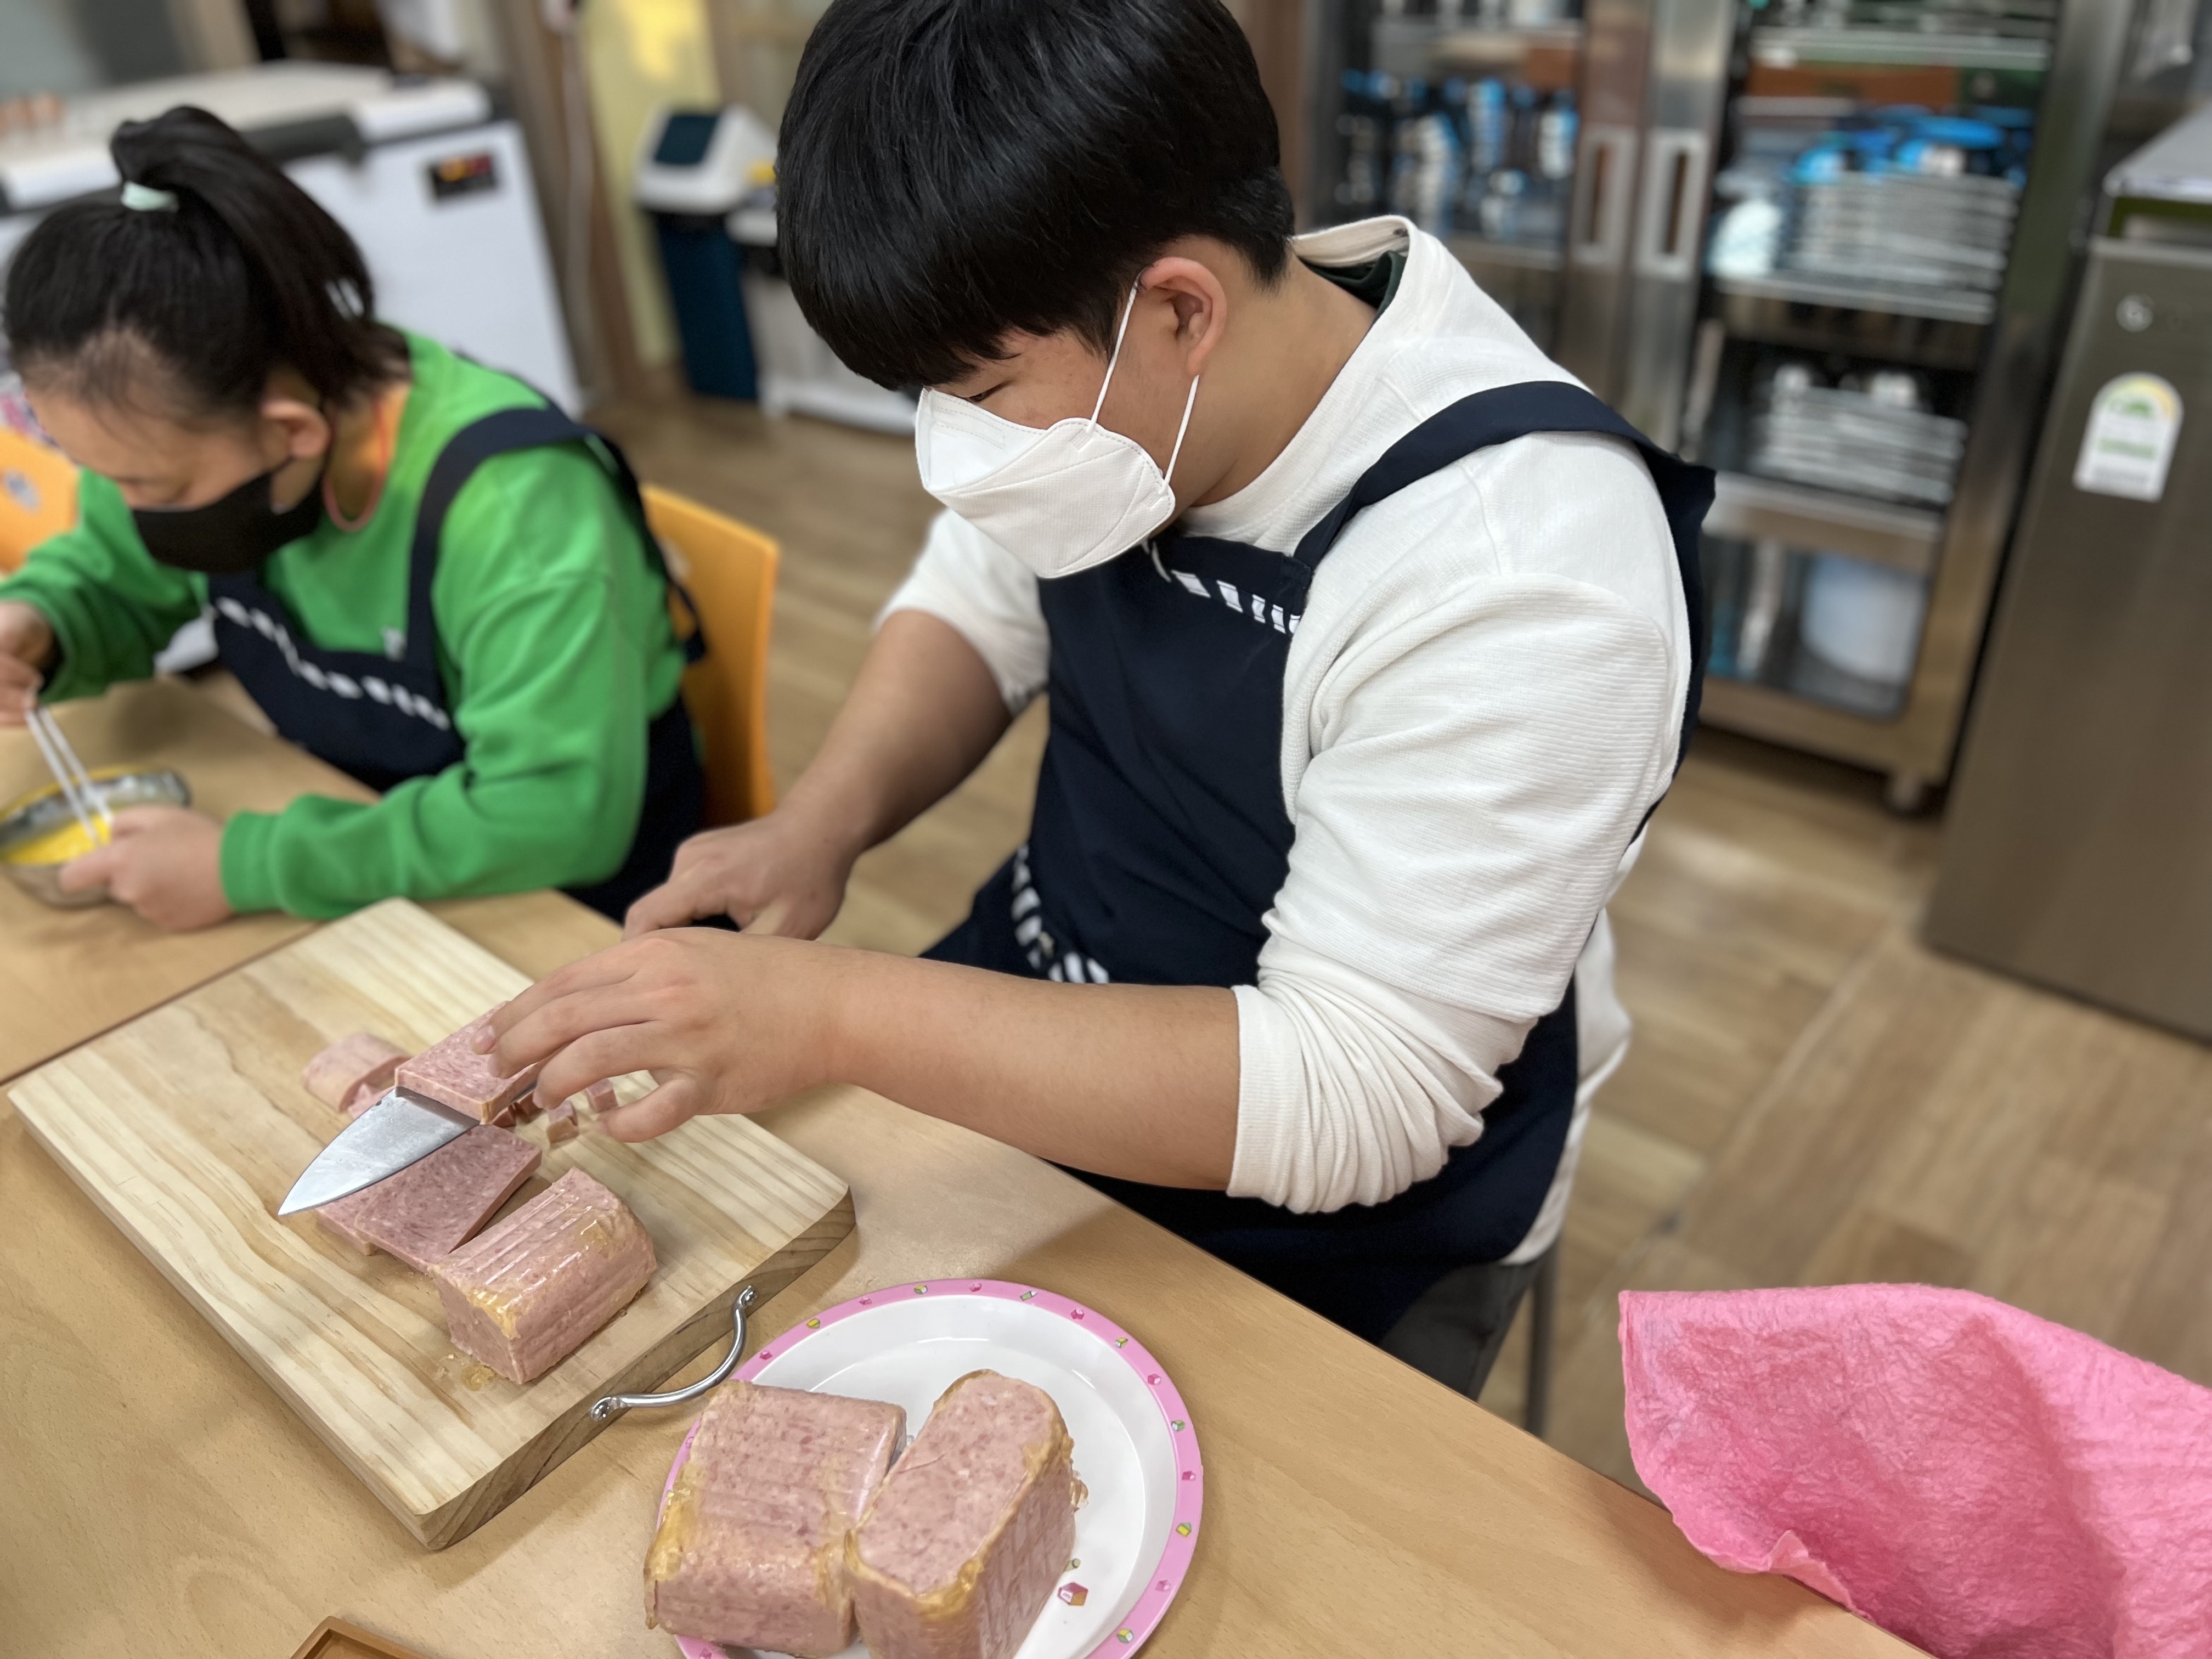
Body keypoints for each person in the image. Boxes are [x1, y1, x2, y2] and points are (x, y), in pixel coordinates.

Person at [486, 0, 1709, 1398]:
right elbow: (983, 595)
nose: (954, 448)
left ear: (1183, 309)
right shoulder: (1140, 382)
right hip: (1040, 979)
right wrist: (818, 826)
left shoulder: (1524, 572)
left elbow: (1356, 1090)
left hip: (1325, 1207)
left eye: (982, 390)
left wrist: (830, 1015)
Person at [0, 107, 698, 929]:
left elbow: (554, 814)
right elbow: (116, 580)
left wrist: (249, 867)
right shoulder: (201, 436)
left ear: (292, 432)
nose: (126, 507)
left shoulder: (513, 508)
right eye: (101, 474)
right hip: (370, 853)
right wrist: (39, 624)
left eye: (149, 485)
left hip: (574, 906)